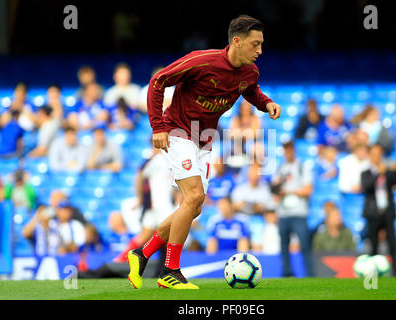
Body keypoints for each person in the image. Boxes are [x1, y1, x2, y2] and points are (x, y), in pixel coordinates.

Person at [126, 15, 281, 290]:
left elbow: (250, 90)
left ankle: (141, 254)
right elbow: (158, 81)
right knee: (195, 196)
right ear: (237, 41)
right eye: (255, 44)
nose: (260, 51)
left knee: (193, 207)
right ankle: (170, 270)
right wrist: (157, 127)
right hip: (177, 131)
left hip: (204, 141)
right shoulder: (202, 61)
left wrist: (265, 103)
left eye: (261, 44)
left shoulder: (249, 73)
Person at [361, 144, 396, 277]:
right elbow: (366, 187)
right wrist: (377, 174)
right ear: (370, 155)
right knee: (373, 243)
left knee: (392, 242)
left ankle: (395, 271)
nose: (377, 156)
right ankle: (372, 273)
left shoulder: (387, 172)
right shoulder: (366, 172)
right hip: (373, 212)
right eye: (374, 154)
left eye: (379, 153)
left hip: (387, 211)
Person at [271, 141, 314, 277]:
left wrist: (288, 192)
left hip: (299, 213)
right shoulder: (280, 169)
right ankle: (287, 273)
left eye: (289, 150)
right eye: (285, 150)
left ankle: (310, 274)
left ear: (293, 150)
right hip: (283, 213)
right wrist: (276, 190)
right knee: (284, 246)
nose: (287, 153)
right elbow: (275, 190)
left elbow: (308, 190)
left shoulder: (302, 167)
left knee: (305, 245)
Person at [231, 163, 273, 252]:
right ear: (248, 174)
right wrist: (242, 205)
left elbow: (267, 207)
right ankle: (241, 261)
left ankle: (256, 261)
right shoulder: (240, 189)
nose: (254, 176)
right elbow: (233, 206)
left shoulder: (264, 189)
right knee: (241, 232)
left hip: (257, 218)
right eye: (252, 173)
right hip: (241, 217)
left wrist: (258, 207)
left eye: (256, 173)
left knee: (259, 232)